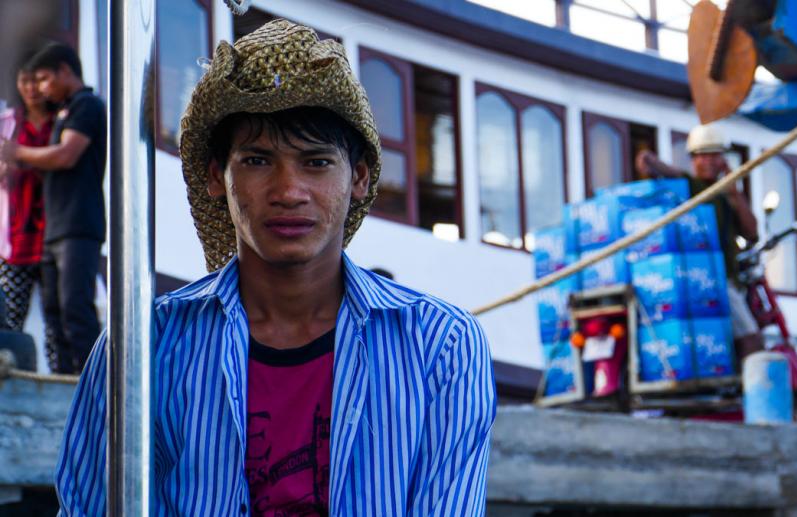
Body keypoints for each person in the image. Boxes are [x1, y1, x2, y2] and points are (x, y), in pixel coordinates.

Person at [56, 20, 496, 516]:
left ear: (360, 177)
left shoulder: (441, 344)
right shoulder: (140, 349)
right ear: (215, 179)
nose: (289, 191)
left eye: (316, 162)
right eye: (258, 161)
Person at [0, 43, 106, 373]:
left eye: (45, 79)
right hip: (54, 229)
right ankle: (65, 382)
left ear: (65, 71)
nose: (42, 88)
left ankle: (91, 383)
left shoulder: (86, 105)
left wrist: (16, 152)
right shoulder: (65, 110)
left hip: (78, 225)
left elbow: (65, 154)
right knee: (55, 315)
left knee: (76, 309)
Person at [635, 124, 763, 360]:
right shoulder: (691, 187)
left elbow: (752, 232)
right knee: (750, 336)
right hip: (712, 279)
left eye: (715, 155)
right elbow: (669, 172)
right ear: (694, 158)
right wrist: (649, 159)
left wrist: (734, 191)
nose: (710, 162)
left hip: (725, 277)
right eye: (704, 155)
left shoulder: (725, 196)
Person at [0, 57, 51, 347]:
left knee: (57, 317)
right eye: (25, 80)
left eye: (37, 80)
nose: (31, 88)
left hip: (51, 235)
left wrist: (18, 155)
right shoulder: (6, 123)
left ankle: (66, 377)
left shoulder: (61, 122)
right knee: (11, 316)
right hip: (14, 238)